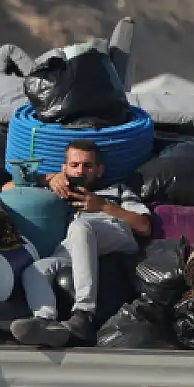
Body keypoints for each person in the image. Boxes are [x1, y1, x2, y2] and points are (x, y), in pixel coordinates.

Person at [12, 140, 152, 347]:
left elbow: (144, 226)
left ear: (99, 170)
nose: (80, 171)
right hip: (75, 244)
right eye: (74, 165)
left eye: (87, 166)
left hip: (114, 233)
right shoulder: (60, 190)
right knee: (35, 270)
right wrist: (49, 179)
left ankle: (84, 314)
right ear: (65, 168)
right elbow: (9, 188)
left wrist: (103, 206)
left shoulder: (117, 189)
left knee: (80, 226)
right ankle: (45, 321)